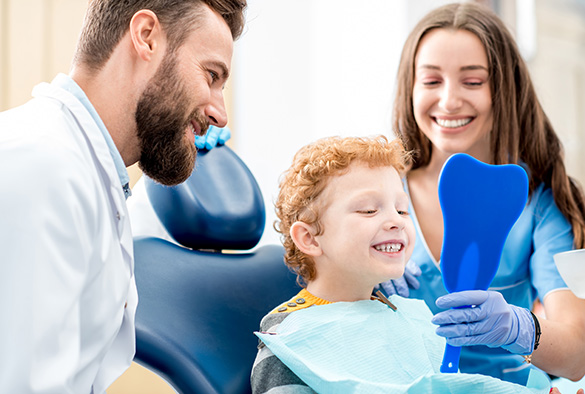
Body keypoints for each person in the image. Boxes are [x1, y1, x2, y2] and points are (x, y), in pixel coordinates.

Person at [0, 0, 246, 392]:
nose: (220, 113)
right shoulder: (43, 168)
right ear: (146, 36)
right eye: (211, 75)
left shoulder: (85, 171)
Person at [250, 135, 563, 394]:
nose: (395, 222)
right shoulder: (290, 336)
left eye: (402, 210)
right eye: (369, 210)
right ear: (310, 238)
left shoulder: (406, 318)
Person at [381, 1, 585, 385]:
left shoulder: (540, 203)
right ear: (410, 88)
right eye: (431, 81)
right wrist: (354, 279)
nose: (449, 100)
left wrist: (516, 328)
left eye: (473, 81)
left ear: (505, 89)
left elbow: (576, 355)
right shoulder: (379, 190)